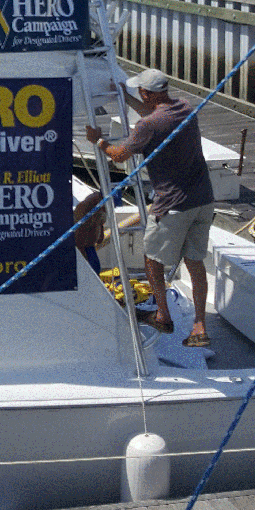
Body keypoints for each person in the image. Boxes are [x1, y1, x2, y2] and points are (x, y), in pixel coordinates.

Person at [85, 69, 214, 348]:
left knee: (152, 260)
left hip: (172, 204)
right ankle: (199, 326)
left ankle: (162, 316)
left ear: (145, 92)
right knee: (194, 262)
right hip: (203, 200)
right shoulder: (185, 107)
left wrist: (98, 140)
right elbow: (154, 114)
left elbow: (119, 156)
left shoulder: (148, 126)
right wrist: (126, 97)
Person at [73, 190, 106, 274]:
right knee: (91, 272)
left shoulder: (100, 209)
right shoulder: (85, 209)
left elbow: (100, 237)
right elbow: (78, 237)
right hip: (83, 248)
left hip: (90, 247)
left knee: (95, 269)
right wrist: (83, 255)